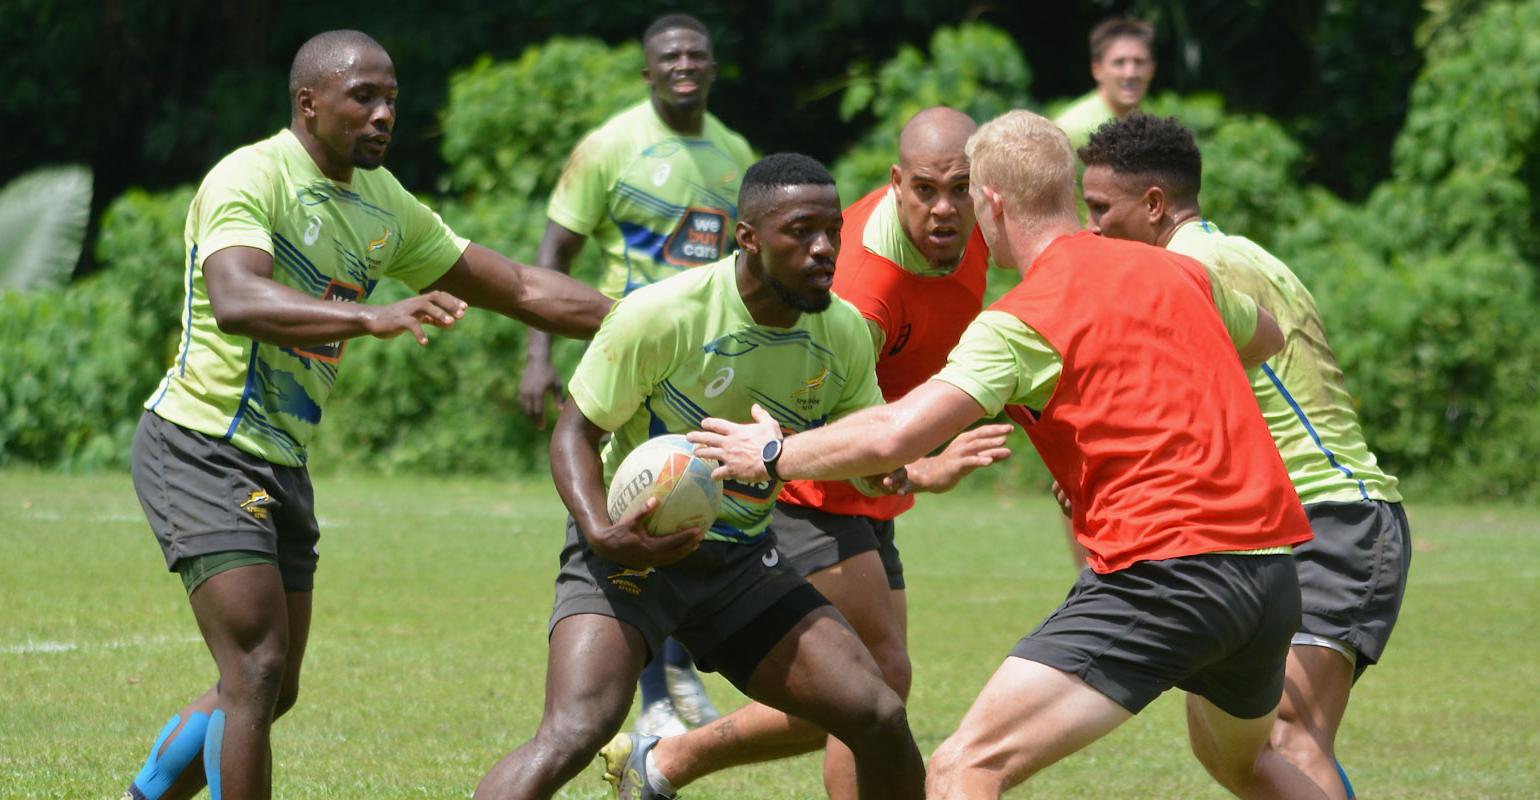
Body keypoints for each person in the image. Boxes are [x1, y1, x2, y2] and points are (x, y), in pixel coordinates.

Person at [690, 110, 1330, 799]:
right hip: (1270, 574)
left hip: (1168, 572)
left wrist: (774, 452)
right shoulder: (1173, 271)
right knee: (1246, 765)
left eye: (967, 197)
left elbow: (892, 434)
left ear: (990, 201)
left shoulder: (1024, 318)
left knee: (966, 767)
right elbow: (1262, 337)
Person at [121, 30, 613, 800]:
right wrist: (368, 317)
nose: (384, 115)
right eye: (364, 98)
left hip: (281, 459)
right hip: (200, 443)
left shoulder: (382, 205)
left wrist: (641, 320)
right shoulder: (251, 176)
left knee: (271, 687)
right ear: (308, 103)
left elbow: (517, 287)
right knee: (253, 668)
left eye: (391, 100)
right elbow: (237, 298)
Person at [470, 154, 926, 800]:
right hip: (629, 552)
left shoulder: (844, 334)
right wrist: (602, 533)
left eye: (833, 231)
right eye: (801, 231)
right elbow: (575, 433)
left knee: (878, 713)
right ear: (748, 238)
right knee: (576, 729)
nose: (824, 248)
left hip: (740, 563)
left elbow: (869, 447)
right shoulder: (662, 315)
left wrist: (901, 467)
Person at [603, 106, 1011, 800]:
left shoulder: (973, 233)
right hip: (805, 482)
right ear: (896, 183)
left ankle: (668, 760)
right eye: (925, 190)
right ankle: (671, 759)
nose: (945, 209)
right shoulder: (860, 288)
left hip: (869, 478)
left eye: (962, 189)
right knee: (871, 685)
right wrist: (918, 467)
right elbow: (803, 422)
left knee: (879, 682)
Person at [1078, 112, 1411, 800]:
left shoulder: (1188, 269)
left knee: (1288, 733)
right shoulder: (1241, 253)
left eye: (1100, 209)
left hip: (1332, 512)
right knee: (1230, 749)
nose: (1092, 228)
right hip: (1272, 526)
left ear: (1153, 205)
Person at [518, 12, 756, 735]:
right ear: (648, 71)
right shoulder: (611, 146)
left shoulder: (735, 151)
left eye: (698, 54)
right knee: (636, 505)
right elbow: (551, 256)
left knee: (698, 508)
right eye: (670, 56)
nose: (685, 64)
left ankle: (678, 670)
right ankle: (654, 701)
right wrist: (538, 355)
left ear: (713, 68)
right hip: (632, 353)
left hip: (713, 358)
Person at [1052, 17, 1157, 152]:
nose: (1130, 73)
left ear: (1152, 68)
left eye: (1139, 62)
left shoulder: (1154, 127)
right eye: (1119, 62)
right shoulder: (1068, 130)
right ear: (1097, 69)